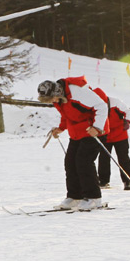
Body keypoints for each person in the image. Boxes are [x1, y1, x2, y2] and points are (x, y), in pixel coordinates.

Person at [37, 76, 109, 210]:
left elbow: (102, 106)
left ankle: (94, 198)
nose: (51, 101)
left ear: (57, 92)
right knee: (70, 162)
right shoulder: (59, 98)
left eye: (51, 98)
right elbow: (67, 114)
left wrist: (97, 127)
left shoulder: (78, 92)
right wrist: (61, 128)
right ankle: (75, 197)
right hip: (76, 133)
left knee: (83, 161)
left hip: (93, 131)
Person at [98, 95, 130, 191]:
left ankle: (127, 181)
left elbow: (128, 112)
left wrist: (128, 122)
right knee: (103, 158)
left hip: (120, 134)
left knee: (123, 158)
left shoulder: (115, 102)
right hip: (105, 135)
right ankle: (103, 180)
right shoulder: (95, 104)